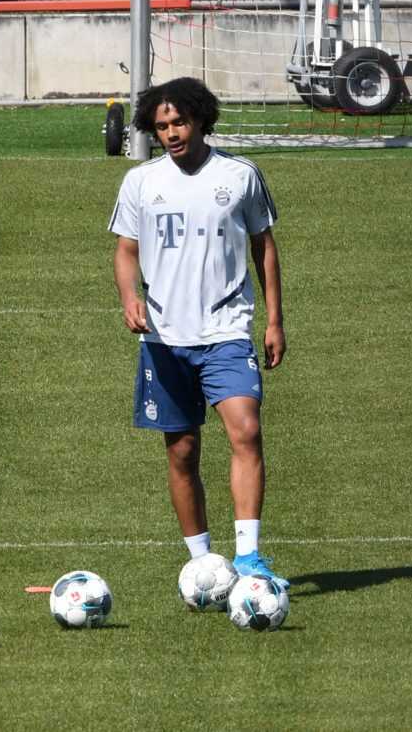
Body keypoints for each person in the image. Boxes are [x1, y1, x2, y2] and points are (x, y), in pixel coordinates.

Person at [109, 76, 289, 590]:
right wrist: (129, 298)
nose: (170, 133)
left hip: (227, 330)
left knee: (246, 431)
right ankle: (202, 563)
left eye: (179, 122)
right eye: (161, 125)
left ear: (201, 120)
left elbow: (265, 247)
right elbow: (126, 250)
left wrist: (274, 321)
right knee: (182, 450)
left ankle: (250, 558)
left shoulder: (240, 175)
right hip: (165, 337)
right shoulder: (142, 182)